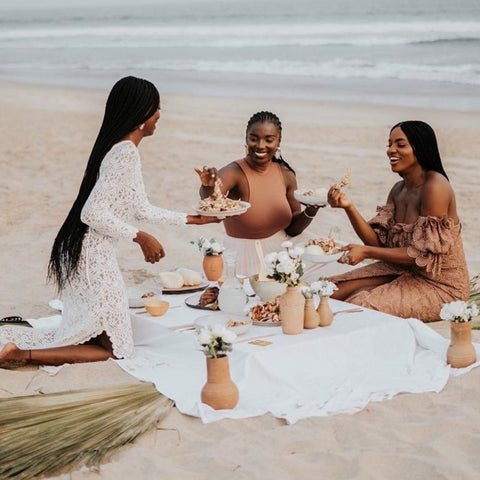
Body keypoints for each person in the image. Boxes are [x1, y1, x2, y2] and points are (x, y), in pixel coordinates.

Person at [0, 76, 219, 368]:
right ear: (142, 115)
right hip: (93, 261)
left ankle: (21, 350)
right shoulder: (125, 153)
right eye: (157, 108)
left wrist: (193, 219)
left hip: (81, 253)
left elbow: (140, 207)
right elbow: (91, 213)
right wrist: (141, 237)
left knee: (96, 336)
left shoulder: (119, 148)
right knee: (119, 350)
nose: (159, 116)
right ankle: (19, 354)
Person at [327, 120, 470, 322]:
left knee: (359, 306)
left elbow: (422, 255)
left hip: (441, 287)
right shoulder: (397, 189)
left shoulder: (435, 186)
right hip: (401, 269)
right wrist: (348, 207)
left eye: (400, 145)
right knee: (328, 291)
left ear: (419, 148)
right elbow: (378, 243)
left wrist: (366, 252)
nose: (391, 150)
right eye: (390, 145)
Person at [195, 111, 323, 277]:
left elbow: (293, 230)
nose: (261, 145)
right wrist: (208, 185)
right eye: (254, 138)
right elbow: (210, 197)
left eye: (269, 140)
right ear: (246, 139)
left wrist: (311, 210)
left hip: (285, 252)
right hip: (246, 257)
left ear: (278, 141)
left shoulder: (286, 174)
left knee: (338, 260)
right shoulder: (235, 171)